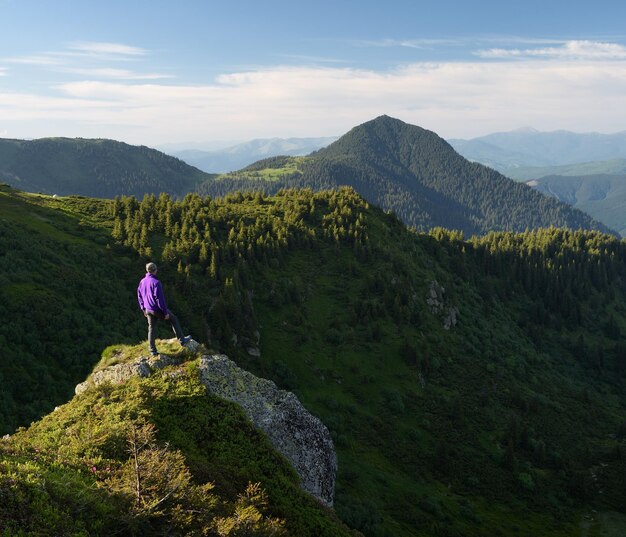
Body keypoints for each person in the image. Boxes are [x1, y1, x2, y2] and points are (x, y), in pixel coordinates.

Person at [137, 262, 191, 356]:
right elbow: (160, 299)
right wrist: (165, 312)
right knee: (174, 319)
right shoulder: (156, 283)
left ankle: (152, 350)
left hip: (148, 309)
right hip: (157, 309)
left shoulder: (142, 281)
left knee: (151, 329)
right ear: (155, 270)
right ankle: (182, 340)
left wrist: (143, 309)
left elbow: (139, 296)